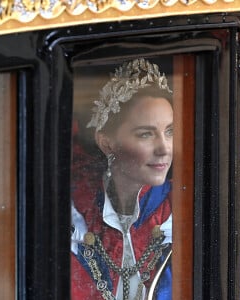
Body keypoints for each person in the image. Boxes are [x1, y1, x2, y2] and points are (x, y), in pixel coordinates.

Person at [71, 58, 173, 300]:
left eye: (170, 131)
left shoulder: (185, 211)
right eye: (146, 134)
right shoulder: (78, 213)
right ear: (107, 142)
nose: (164, 148)